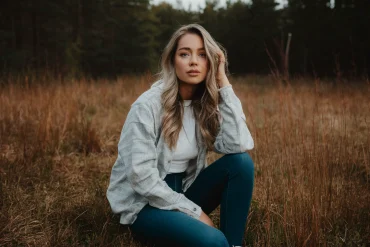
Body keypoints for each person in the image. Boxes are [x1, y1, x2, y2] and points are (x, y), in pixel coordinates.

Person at [106, 23, 254, 247]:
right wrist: (194, 212)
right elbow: (141, 177)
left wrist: (223, 83)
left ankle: (233, 244)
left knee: (241, 163)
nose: (194, 61)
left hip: (183, 191)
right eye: (185, 54)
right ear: (172, 61)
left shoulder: (204, 105)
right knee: (212, 241)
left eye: (202, 55)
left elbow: (238, 145)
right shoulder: (147, 106)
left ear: (211, 63)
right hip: (144, 203)